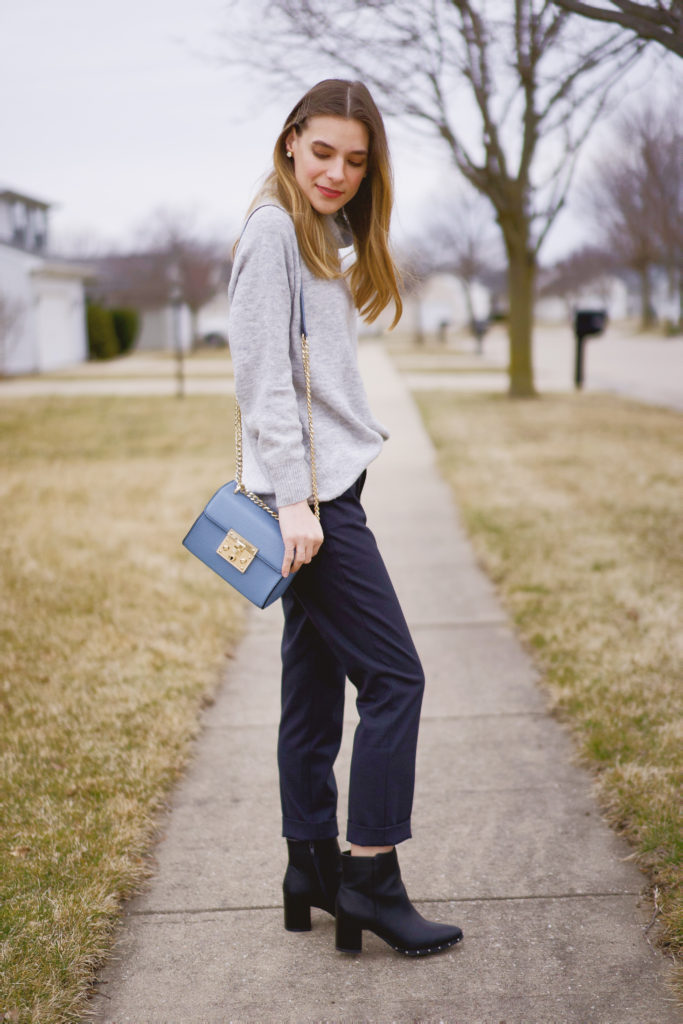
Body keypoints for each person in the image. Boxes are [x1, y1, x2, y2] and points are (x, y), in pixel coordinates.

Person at [228, 79, 463, 957]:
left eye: (355, 160)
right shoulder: (270, 229)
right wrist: (294, 500)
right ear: (290, 140)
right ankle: (369, 876)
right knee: (397, 680)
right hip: (311, 502)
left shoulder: (314, 231)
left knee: (313, 688)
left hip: (322, 492)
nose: (336, 171)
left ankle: (308, 866)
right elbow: (261, 380)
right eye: (322, 150)